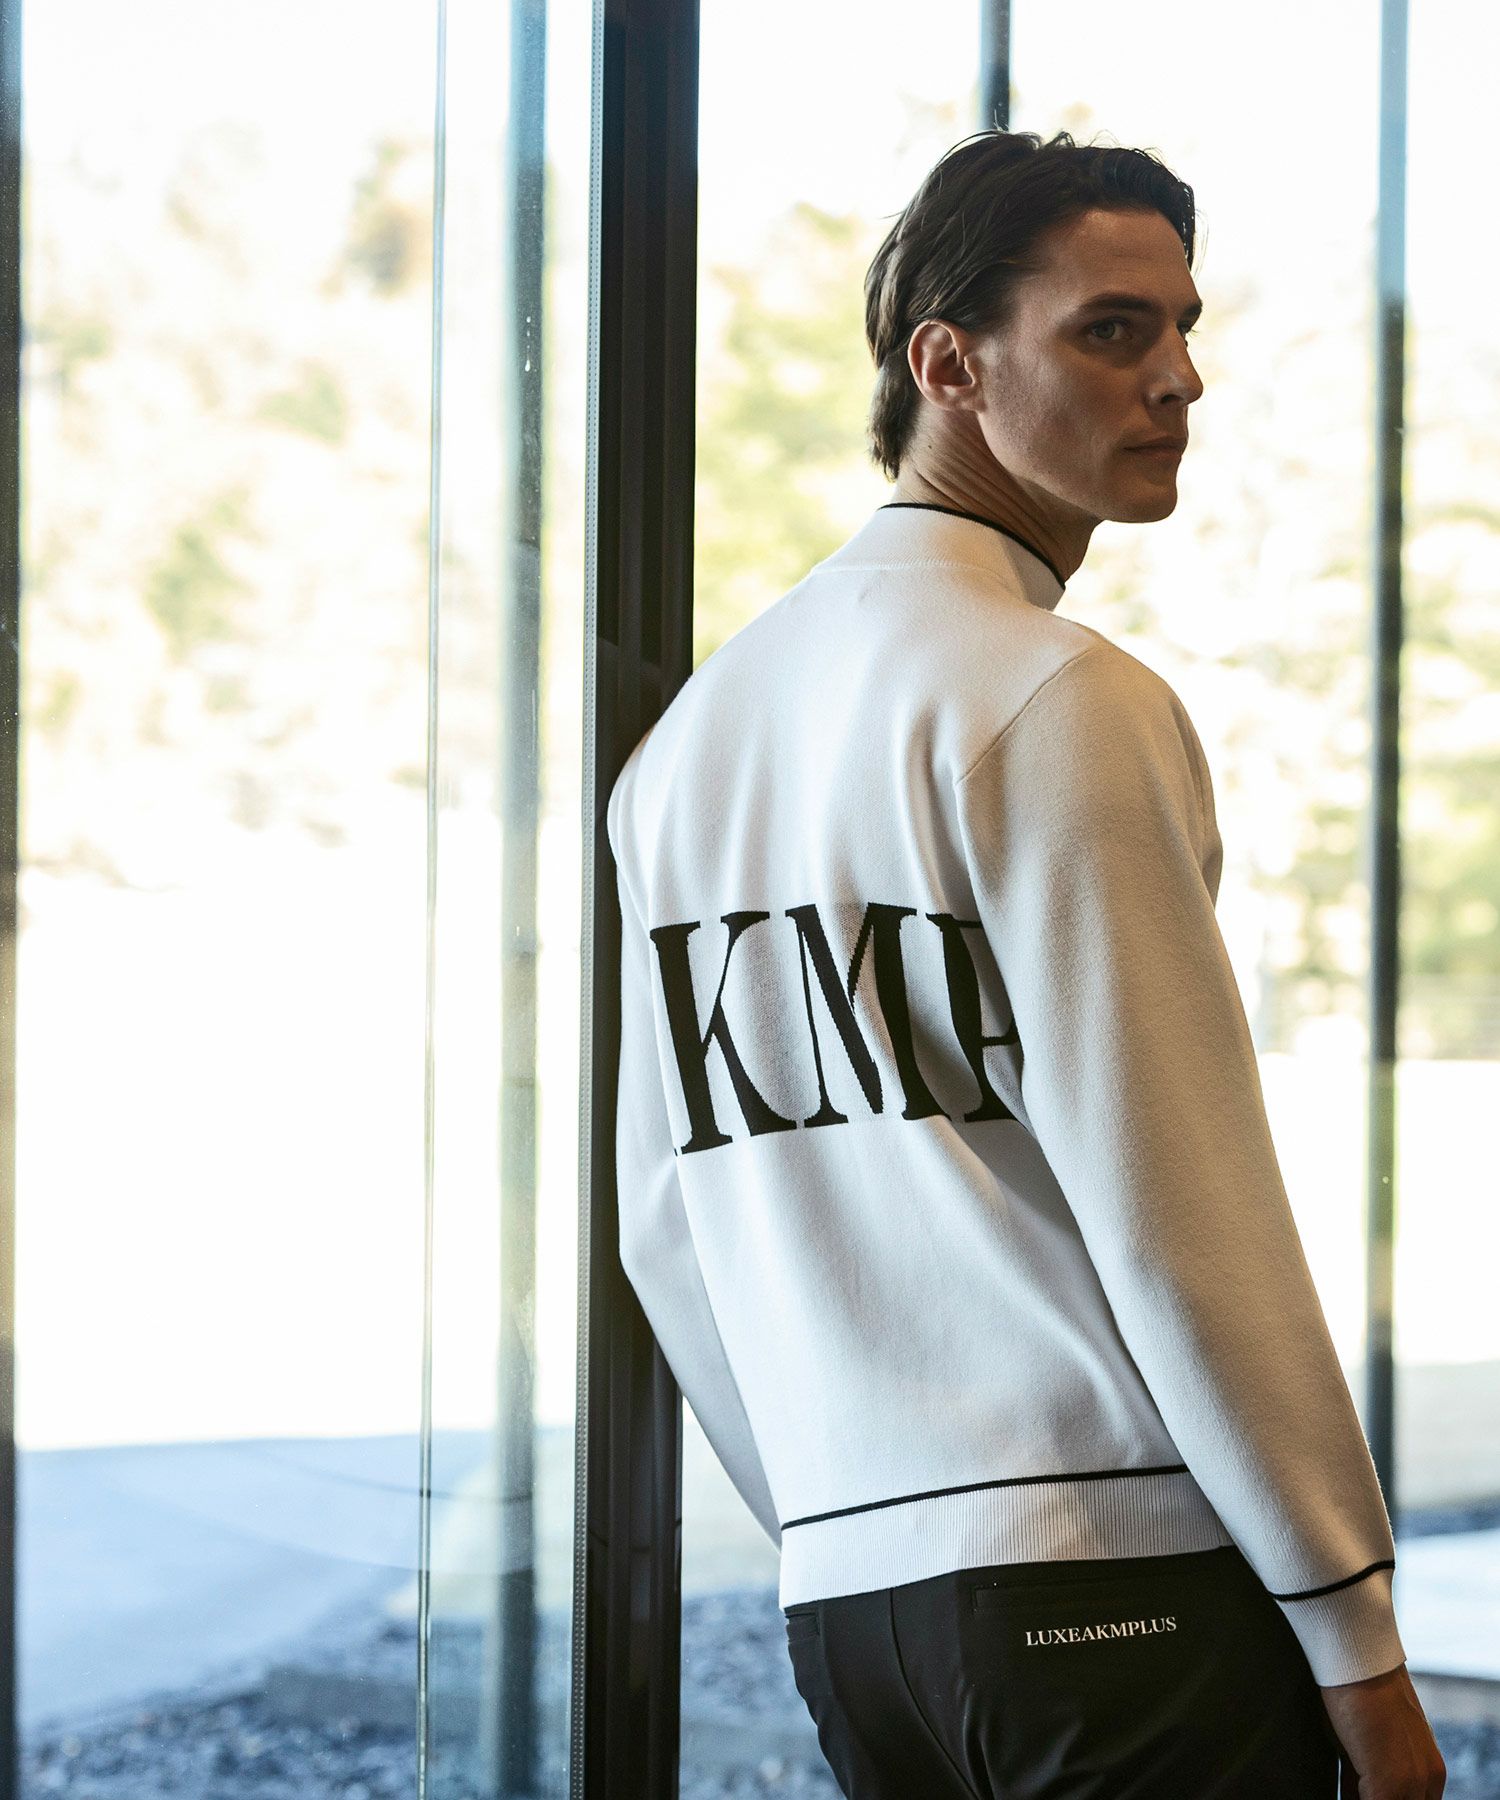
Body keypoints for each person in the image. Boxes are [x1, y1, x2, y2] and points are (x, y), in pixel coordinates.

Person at [605, 127, 1446, 1799]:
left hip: (861, 1621)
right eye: (1112, 331)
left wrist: (845, 1530)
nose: (1181, 379)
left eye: (1184, 327)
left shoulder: (691, 746)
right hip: (1122, 1587)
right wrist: (1356, 1637)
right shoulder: (1060, 697)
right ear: (949, 365)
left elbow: (664, 1221)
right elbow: (1188, 1217)